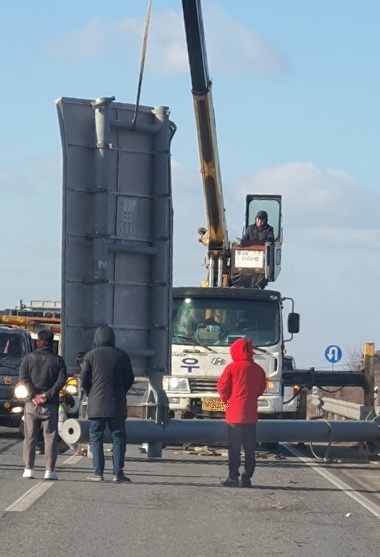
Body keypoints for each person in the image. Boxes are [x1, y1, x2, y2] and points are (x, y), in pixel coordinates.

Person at [80, 325, 134, 483]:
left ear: (97, 338)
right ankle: (118, 473)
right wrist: (121, 390)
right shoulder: (122, 356)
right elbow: (130, 378)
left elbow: (84, 379)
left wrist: (91, 392)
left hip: (96, 404)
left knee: (96, 437)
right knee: (118, 438)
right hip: (117, 404)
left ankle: (98, 473)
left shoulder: (90, 356)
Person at [217, 337, 267, 488]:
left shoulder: (232, 368)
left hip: (234, 414)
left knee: (234, 448)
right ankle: (247, 478)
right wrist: (250, 399)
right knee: (250, 448)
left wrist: (228, 403)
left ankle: (233, 476)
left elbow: (222, 388)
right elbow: (261, 388)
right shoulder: (258, 369)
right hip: (250, 415)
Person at [19, 329, 67, 480]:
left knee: (30, 437)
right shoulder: (58, 360)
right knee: (50, 437)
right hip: (50, 404)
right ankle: (49, 471)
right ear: (52, 342)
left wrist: (34, 395)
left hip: (31, 404)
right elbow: (61, 381)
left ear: (38, 341)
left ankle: (28, 469)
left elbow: (23, 378)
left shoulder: (28, 358)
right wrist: (46, 395)